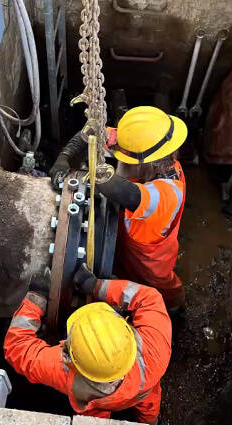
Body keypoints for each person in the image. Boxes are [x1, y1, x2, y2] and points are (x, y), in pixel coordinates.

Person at [49, 106, 188, 310]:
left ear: (146, 164)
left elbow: (126, 193)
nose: (119, 157)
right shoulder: (145, 143)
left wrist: (96, 173)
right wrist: (64, 156)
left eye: (126, 159)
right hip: (127, 239)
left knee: (160, 291)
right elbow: (91, 133)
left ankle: (176, 310)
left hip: (150, 260)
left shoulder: (168, 194)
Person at [3, 265, 172, 425]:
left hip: (96, 406)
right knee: (149, 407)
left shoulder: (64, 372)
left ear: (72, 357)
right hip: (142, 392)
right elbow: (148, 298)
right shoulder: (154, 347)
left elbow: (17, 348)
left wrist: (36, 298)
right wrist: (96, 286)